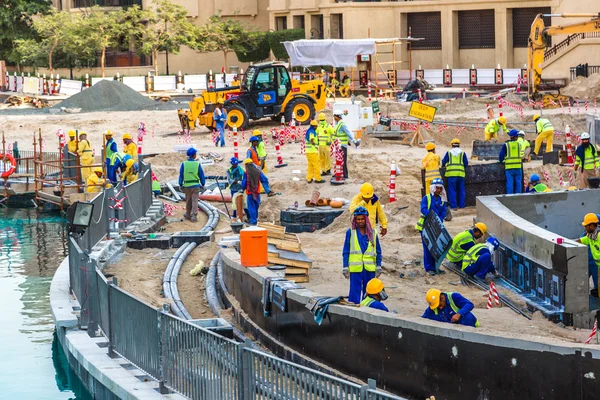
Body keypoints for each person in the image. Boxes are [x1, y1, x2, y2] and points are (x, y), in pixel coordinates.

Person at [342, 207, 382, 304]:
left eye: (362, 219)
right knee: (354, 292)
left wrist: (378, 265)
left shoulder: (373, 233)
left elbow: (378, 251)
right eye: (358, 219)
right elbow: (346, 250)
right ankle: (354, 310)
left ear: (366, 219)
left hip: (369, 269)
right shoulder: (350, 233)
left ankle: (368, 308)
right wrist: (345, 266)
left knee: (369, 292)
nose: (360, 221)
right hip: (356, 268)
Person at [415, 178, 447, 276]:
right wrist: (432, 217)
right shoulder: (427, 198)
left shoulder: (442, 200)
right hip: (426, 226)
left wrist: (439, 219)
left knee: (436, 248)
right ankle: (429, 268)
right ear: (433, 188)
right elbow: (423, 209)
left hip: (436, 227)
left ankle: (435, 267)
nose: (439, 190)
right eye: (437, 188)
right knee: (428, 248)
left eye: (440, 188)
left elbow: (443, 212)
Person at [242, 158, 274, 225]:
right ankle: (256, 219)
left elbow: (244, 184)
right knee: (256, 206)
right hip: (257, 193)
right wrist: (267, 190)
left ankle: (253, 221)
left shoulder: (246, 173)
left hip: (250, 193)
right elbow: (264, 180)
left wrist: (242, 189)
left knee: (251, 207)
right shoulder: (258, 171)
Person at [178, 148, 206, 223]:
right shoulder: (197, 164)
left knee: (188, 200)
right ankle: (193, 215)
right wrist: (203, 184)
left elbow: (181, 175)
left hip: (187, 185)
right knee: (195, 200)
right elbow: (201, 175)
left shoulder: (184, 164)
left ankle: (188, 214)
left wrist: (180, 184)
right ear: (194, 155)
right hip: (195, 185)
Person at [575, 213, 600, 296]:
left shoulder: (599, 236)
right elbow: (583, 239)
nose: (585, 228)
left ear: (592, 226)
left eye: (586, 226)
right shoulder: (590, 236)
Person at [442, 138, 468, 210]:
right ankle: (462, 205)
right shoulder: (462, 153)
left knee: (452, 190)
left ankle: (454, 206)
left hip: (451, 174)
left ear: (451, 145)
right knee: (461, 190)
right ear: (459, 145)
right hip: (460, 174)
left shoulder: (449, 153)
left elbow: (443, 162)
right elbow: (466, 164)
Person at [333, 112, 356, 179]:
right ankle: (338, 173)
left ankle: (345, 175)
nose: (334, 117)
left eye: (334, 116)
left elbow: (348, 133)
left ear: (338, 116)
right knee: (338, 161)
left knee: (343, 160)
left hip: (342, 146)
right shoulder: (337, 124)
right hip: (338, 145)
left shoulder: (342, 124)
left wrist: (353, 141)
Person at [499, 129, 523, 194]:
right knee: (518, 183)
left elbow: (501, 156)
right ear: (516, 137)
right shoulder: (519, 145)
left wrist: (500, 161)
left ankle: (509, 197)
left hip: (509, 168)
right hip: (518, 167)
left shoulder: (506, 145)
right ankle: (518, 197)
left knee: (510, 183)